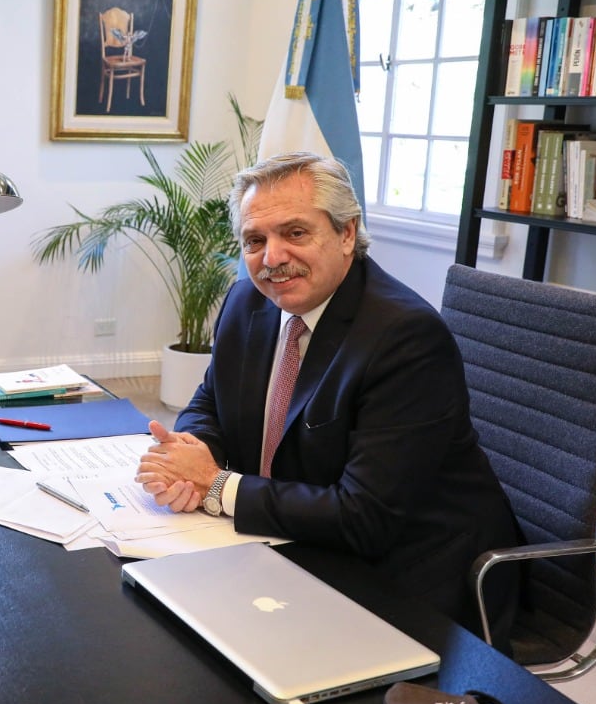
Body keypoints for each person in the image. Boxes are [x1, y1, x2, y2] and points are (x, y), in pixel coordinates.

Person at [135, 152, 520, 644]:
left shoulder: (405, 337)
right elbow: (213, 398)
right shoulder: (246, 301)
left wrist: (215, 485)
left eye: (295, 233)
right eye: (255, 240)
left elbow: (365, 518)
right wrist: (193, 450)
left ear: (345, 233)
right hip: (297, 536)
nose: (272, 258)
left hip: (409, 574)